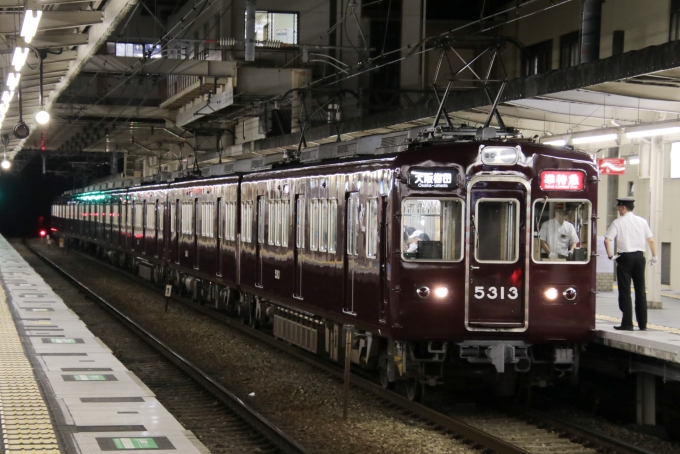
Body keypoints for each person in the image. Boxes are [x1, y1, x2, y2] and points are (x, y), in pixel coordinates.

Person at [604, 197, 657, 331]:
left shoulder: (617, 222)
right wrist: (655, 256)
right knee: (640, 291)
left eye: (618, 208)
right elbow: (651, 240)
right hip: (639, 258)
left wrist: (611, 256)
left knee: (625, 291)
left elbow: (607, 240)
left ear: (623, 208)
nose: (618, 210)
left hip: (625, 258)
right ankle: (642, 324)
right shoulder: (642, 222)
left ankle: (627, 323)